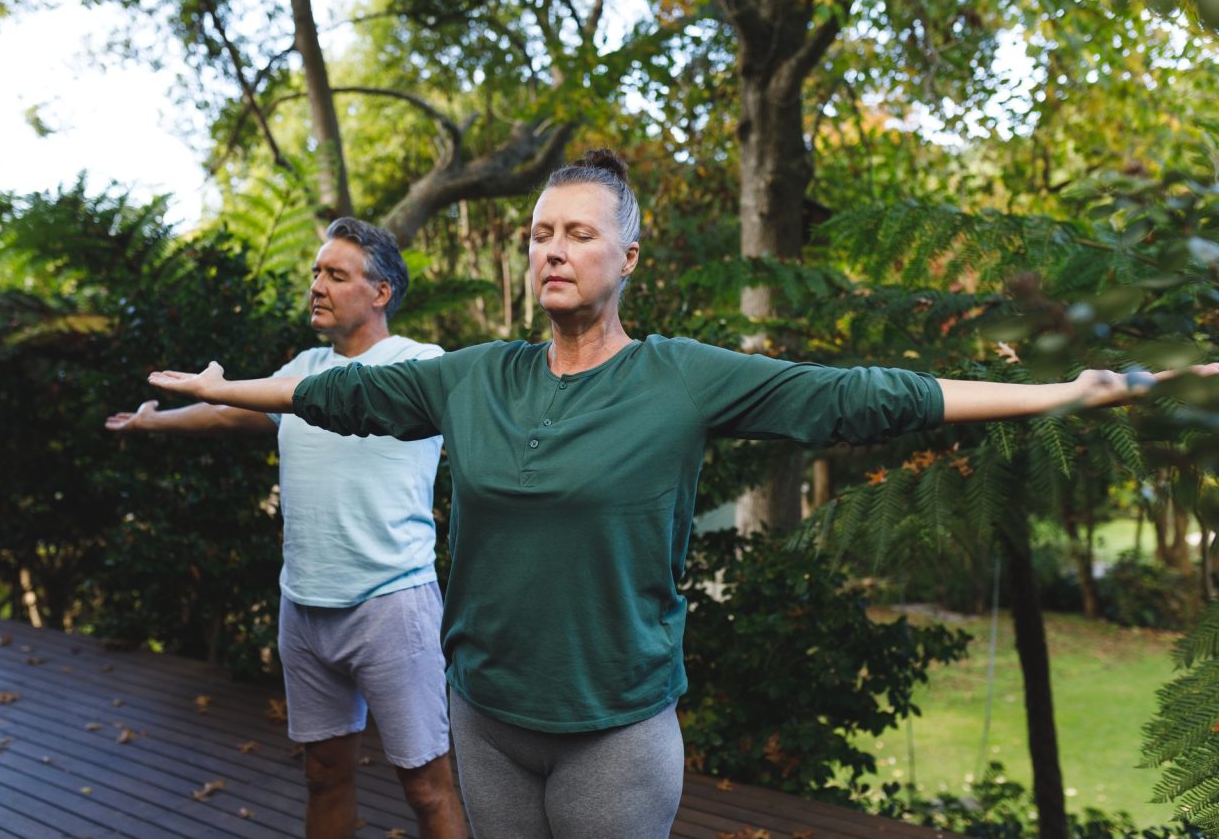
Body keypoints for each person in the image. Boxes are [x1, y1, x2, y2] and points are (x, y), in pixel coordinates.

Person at [141, 150, 1215, 838]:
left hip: (613, 730)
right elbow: (343, 401)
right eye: (539, 235)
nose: (552, 250)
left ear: (629, 255)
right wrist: (220, 387)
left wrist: (1058, 390)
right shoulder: (475, 378)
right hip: (487, 718)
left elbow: (859, 397)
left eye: (578, 233)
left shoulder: (680, 378)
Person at [106, 218, 466, 839]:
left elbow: (342, 393)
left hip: (392, 607)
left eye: (336, 274)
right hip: (303, 606)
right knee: (323, 774)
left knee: (427, 788)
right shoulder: (305, 364)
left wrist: (228, 387)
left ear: (380, 292)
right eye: (315, 273)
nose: (317, 286)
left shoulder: (418, 363)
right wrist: (153, 423)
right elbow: (225, 412)